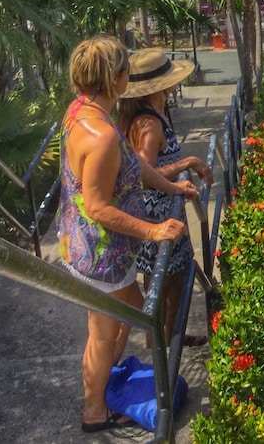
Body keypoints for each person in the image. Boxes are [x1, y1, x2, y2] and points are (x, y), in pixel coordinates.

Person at [57, 36, 196, 433]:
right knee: (105, 332)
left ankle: (105, 385)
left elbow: (133, 165)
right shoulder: (100, 135)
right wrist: (153, 229)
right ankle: (95, 411)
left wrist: (173, 187)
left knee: (126, 319)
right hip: (102, 255)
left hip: (88, 246)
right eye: (125, 72)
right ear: (115, 78)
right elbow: (99, 206)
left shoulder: (83, 111)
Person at [117, 48, 212, 349]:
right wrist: (187, 163)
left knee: (172, 279)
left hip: (165, 208)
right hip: (156, 213)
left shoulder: (157, 113)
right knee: (167, 281)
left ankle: (166, 339)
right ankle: (163, 345)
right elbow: (143, 172)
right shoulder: (149, 123)